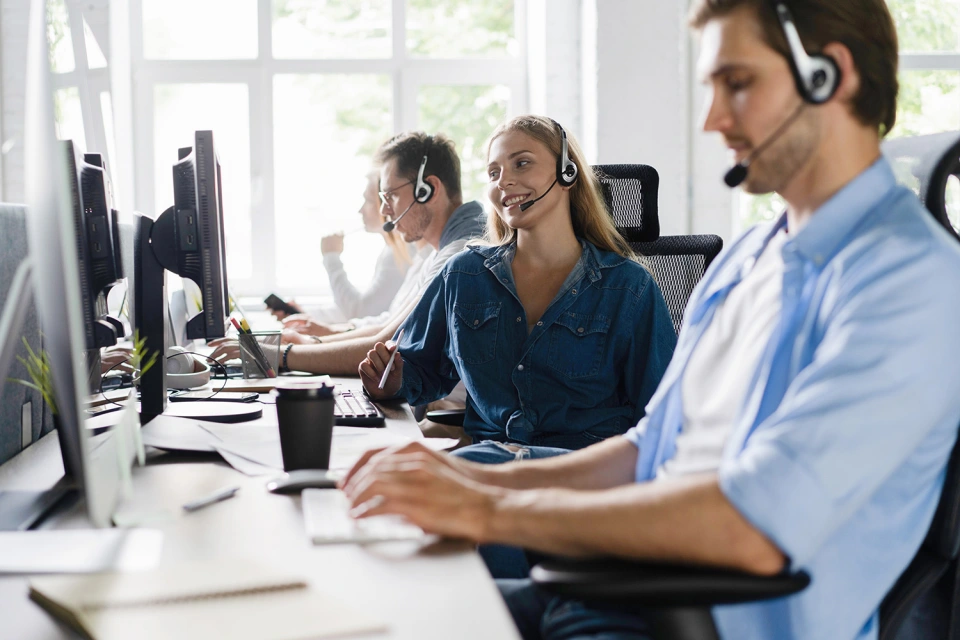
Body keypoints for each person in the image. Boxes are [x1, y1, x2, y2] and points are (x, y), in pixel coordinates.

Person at [340, 1, 960, 638]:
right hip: (619, 589)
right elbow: (647, 448)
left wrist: (492, 506)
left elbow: (755, 525)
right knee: (364, 606)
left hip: (700, 620)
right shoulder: (752, 257)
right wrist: (463, 471)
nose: (712, 118)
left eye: (737, 83)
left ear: (831, 75)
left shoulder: (910, 283)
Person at [360, 115, 676, 463]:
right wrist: (391, 382)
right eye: (493, 173)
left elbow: (663, 419)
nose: (504, 181)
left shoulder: (629, 288)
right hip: (489, 466)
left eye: (521, 163)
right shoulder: (464, 276)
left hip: (581, 477)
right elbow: (420, 369)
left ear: (567, 173)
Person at [210, 132, 485, 376]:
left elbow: (387, 344)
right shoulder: (440, 252)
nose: (385, 210)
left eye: (390, 196)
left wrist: (280, 354)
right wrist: (312, 342)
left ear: (429, 190)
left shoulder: (458, 256)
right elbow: (387, 326)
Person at [276, 170, 412, 333]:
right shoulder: (389, 252)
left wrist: (331, 258)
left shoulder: (400, 254)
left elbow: (360, 312)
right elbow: (355, 312)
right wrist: (306, 315)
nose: (361, 210)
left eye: (368, 201)